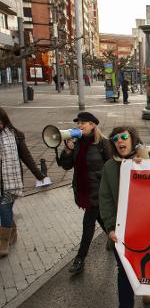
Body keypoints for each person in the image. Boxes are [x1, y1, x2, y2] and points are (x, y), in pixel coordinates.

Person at [99, 126, 150, 308]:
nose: (119, 141)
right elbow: (105, 199)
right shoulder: (109, 167)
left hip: (148, 226)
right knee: (124, 271)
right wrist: (110, 227)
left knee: (148, 262)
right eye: (115, 139)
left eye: (124, 137)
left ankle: (148, 288)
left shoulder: (149, 156)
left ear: (132, 139)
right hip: (122, 230)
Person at [58, 112, 111, 274]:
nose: (80, 126)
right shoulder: (76, 143)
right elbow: (66, 166)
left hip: (100, 191)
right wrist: (67, 151)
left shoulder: (103, 143)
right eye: (78, 123)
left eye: (84, 123)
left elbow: (111, 167)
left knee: (88, 223)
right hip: (83, 190)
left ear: (93, 125)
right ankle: (114, 236)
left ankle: (80, 258)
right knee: (101, 218)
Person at [0, 108, 46, 257]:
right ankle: (12, 231)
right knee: (3, 210)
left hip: (10, 181)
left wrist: (39, 175)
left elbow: (26, 156)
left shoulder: (16, 135)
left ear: (4, 120)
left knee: (4, 208)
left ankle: (3, 243)